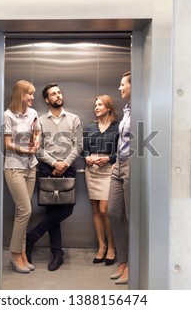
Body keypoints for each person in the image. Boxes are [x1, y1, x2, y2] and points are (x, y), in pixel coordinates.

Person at [26, 83, 83, 271]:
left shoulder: (74, 119)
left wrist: (64, 163)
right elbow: (37, 148)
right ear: (46, 99)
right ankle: (57, 253)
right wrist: (54, 163)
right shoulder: (40, 120)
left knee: (66, 210)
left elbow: (78, 146)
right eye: (53, 94)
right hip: (47, 169)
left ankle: (32, 237)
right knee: (52, 213)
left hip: (68, 169)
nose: (58, 95)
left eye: (59, 92)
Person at [4, 80, 41, 274]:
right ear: (20, 94)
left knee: (23, 213)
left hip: (30, 167)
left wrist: (36, 145)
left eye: (33, 94)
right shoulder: (8, 115)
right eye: (29, 94)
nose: (32, 98)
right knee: (25, 210)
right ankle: (14, 253)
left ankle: (22, 255)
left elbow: (38, 133)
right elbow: (7, 143)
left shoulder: (33, 114)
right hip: (14, 167)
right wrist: (24, 150)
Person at [83, 95, 119, 266]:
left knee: (105, 209)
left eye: (100, 104)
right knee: (95, 209)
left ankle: (112, 247)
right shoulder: (90, 127)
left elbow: (122, 151)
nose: (96, 107)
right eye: (95, 104)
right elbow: (84, 149)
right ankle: (101, 246)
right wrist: (87, 157)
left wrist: (109, 158)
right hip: (92, 171)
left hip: (108, 171)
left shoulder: (117, 128)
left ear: (108, 108)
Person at [109, 71, 131, 284]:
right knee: (114, 212)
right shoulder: (126, 110)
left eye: (123, 84)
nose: (119, 88)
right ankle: (123, 261)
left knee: (132, 217)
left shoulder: (140, 109)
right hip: (119, 164)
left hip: (133, 164)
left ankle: (132, 265)